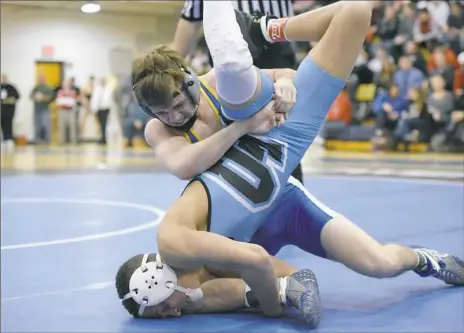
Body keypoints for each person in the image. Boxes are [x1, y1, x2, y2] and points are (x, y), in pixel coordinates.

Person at [117, 0, 464, 327]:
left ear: (189, 82)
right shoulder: (158, 130)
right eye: (163, 113)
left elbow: (284, 73)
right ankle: (257, 35)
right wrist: (242, 129)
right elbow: (182, 166)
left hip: (279, 192)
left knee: (379, 263)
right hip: (253, 203)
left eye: (178, 105)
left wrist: (283, 84)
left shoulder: (211, 86)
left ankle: (423, 260)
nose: (175, 117)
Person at [164, 3, 304, 182]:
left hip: (272, 45)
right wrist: (165, 76)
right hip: (233, 56)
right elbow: (188, 23)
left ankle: (285, 187)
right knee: (242, 135)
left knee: (281, 128)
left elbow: (188, 25)